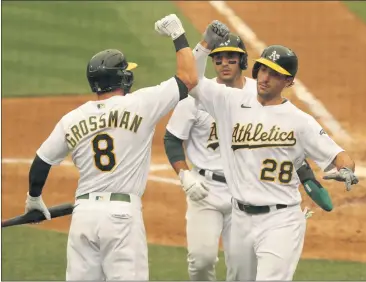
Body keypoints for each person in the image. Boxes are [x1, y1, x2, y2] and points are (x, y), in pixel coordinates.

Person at [22, 14, 225, 281]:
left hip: (83, 216)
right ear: (122, 77)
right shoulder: (141, 104)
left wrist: (34, 199)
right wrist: (178, 34)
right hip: (121, 217)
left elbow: (42, 161)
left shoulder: (72, 118)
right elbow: (188, 77)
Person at [189, 24, 359, 281]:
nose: (265, 78)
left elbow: (339, 155)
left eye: (275, 74)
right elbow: (191, 80)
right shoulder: (230, 103)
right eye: (263, 70)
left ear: (289, 81)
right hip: (240, 220)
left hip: (281, 220)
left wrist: (346, 170)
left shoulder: (300, 121)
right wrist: (203, 46)